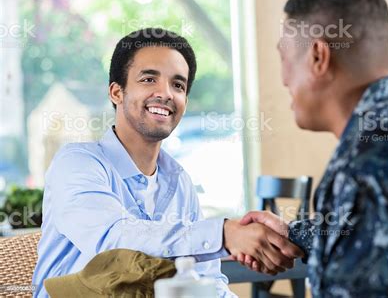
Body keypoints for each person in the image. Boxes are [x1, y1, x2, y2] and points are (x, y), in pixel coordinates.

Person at [238, 0, 388, 297]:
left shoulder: (369, 162)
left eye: (284, 56)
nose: (284, 79)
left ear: (318, 56)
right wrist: (292, 234)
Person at [32, 28, 303, 298]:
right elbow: (113, 240)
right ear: (116, 92)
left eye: (178, 85)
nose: (165, 93)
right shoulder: (77, 163)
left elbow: (208, 280)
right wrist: (224, 233)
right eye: (149, 79)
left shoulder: (179, 182)